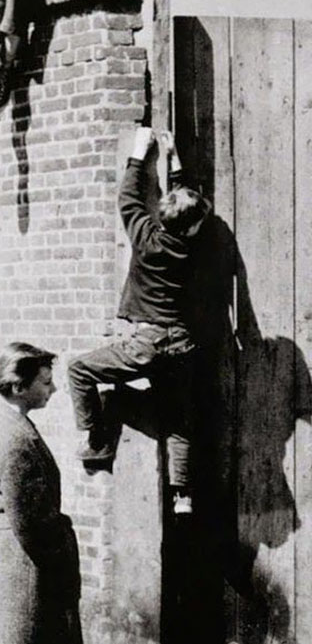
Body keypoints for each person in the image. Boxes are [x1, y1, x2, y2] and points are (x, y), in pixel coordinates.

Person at [68, 127, 210, 516]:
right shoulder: (194, 246)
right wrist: (174, 159)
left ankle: (96, 440)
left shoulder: (146, 237)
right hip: (181, 344)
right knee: (178, 420)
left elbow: (128, 198)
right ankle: (182, 494)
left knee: (79, 370)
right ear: (193, 227)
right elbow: (186, 210)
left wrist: (138, 153)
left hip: (146, 342)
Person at [0, 341, 102, 644]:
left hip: (6, 562)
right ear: (17, 385)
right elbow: (29, 520)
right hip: (21, 567)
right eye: (45, 381)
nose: (54, 389)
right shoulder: (16, 439)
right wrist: (59, 553)